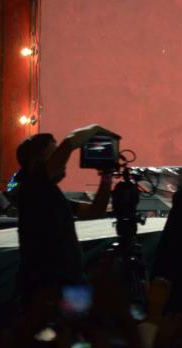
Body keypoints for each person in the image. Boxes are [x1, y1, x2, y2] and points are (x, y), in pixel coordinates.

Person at [13, 124, 114, 306]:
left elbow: (96, 211)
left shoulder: (50, 193)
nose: (62, 163)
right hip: (46, 284)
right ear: (36, 162)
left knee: (79, 320)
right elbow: (69, 143)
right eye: (54, 155)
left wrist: (106, 176)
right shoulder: (32, 186)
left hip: (69, 278)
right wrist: (96, 129)